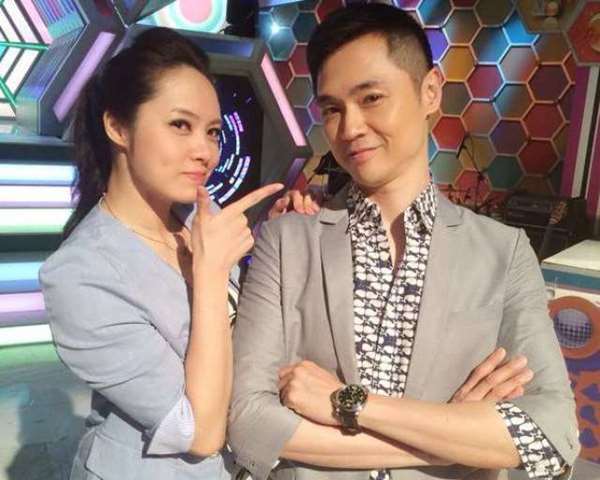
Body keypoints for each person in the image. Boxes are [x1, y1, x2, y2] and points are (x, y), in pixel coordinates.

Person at [228, 4, 580, 480]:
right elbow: (248, 423)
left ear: (430, 91)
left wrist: (350, 403)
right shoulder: (286, 241)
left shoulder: (503, 252)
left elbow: (553, 435)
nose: (350, 128)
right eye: (332, 109)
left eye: (371, 98)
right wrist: (455, 440)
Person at [39, 27, 287, 479]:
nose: (205, 151)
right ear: (118, 127)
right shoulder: (78, 275)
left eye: (213, 132)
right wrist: (210, 274)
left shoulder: (198, 221)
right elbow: (199, 432)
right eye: (180, 125)